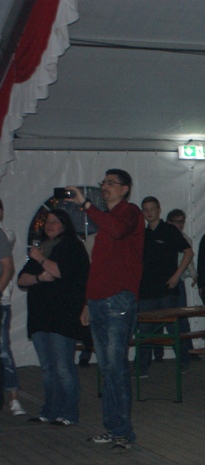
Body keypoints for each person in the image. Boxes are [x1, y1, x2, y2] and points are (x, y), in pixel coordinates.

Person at [69, 170, 145, 449]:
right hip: (99, 300)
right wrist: (87, 302)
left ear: (125, 188)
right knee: (107, 368)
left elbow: (117, 230)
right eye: (103, 183)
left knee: (116, 366)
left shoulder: (130, 212)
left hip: (118, 299)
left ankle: (123, 431)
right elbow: (97, 268)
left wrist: (86, 205)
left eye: (111, 183)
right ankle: (113, 428)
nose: (104, 187)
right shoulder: (105, 221)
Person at [16, 209, 89, 425]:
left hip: (62, 316)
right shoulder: (44, 247)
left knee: (63, 367)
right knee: (48, 368)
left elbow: (59, 271)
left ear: (64, 225)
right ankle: (49, 410)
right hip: (41, 316)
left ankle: (69, 413)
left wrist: (40, 258)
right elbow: (22, 280)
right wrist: (39, 278)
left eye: (55, 221)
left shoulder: (72, 246)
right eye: (47, 221)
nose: (49, 225)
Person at [136, 197, 193, 377]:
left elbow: (188, 252)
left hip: (167, 289)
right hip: (146, 290)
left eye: (152, 209)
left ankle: (184, 361)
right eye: (146, 209)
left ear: (159, 210)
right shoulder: (142, 234)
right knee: (145, 329)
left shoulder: (170, 230)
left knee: (173, 328)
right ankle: (141, 367)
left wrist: (177, 275)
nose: (149, 213)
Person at [0, 200, 23, 416]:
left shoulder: (4, 233)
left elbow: (8, 268)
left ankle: (14, 397)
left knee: (3, 348)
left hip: (1, 302)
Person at [166, 208, 197, 354]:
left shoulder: (186, 239)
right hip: (166, 280)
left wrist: (194, 275)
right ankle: (181, 351)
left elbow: (189, 261)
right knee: (170, 317)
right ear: (169, 222)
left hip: (179, 280)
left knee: (182, 316)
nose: (180, 225)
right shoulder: (166, 236)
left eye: (182, 222)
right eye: (177, 222)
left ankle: (188, 350)